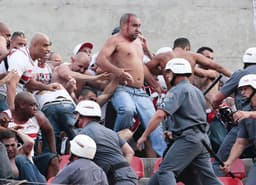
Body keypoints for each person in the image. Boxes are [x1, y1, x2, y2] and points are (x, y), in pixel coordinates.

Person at [137, 58, 222, 185]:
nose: (166, 76)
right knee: (208, 179)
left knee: (166, 171)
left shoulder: (177, 90)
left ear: (175, 72)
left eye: (168, 72)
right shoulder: (197, 91)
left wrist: (144, 136)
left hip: (188, 139)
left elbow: (160, 114)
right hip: (202, 140)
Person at [96, 13, 166, 157]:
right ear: (123, 26)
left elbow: (142, 67)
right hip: (122, 88)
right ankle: (116, 144)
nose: (138, 29)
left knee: (154, 122)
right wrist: (117, 72)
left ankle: (164, 157)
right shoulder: (114, 40)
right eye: (134, 26)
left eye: (139, 26)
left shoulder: (138, 43)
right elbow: (100, 60)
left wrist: (155, 84)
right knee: (127, 110)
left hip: (139, 91)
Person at [211, 47, 256, 176]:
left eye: (245, 89)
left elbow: (217, 98)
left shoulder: (241, 74)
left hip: (244, 120)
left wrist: (216, 106)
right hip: (245, 122)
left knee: (219, 162)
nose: (243, 93)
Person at [75, 100, 138, 185]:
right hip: (129, 175)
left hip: (114, 179)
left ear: (80, 116)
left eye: (76, 114)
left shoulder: (83, 134)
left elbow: (78, 163)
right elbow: (130, 152)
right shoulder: (111, 132)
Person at [0, 91, 59, 179]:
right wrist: (5, 128)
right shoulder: (5, 117)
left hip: (30, 158)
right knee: (20, 160)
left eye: (36, 106)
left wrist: (53, 152)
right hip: (10, 161)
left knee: (53, 159)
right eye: (32, 105)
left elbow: (49, 131)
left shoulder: (38, 117)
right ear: (22, 105)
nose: (35, 108)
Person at [0, 32, 61, 111]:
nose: (48, 49)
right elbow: (11, 84)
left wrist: (47, 87)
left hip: (15, 95)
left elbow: (28, 82)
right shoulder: (20, 57)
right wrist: (13, 112)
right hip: (3, 95)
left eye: (49, 46)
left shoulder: (33, 59)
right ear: (34, 45)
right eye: (45, 45)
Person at [146, 37, 231, 89]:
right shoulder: (192, 56)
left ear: (174, 47)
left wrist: (156, 84)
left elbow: (144, 69)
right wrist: (234, 75)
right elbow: (218, 67)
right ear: (187, 48)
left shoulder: (162, 57)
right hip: (187, 94)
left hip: (171, 94)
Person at [221, 74, 256, 185]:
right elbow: (241, 142)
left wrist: (249, 114)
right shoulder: (245, 112)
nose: (242, 93)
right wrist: (229, 161)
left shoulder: (246, 113)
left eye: (246, 89)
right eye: (241, 89)